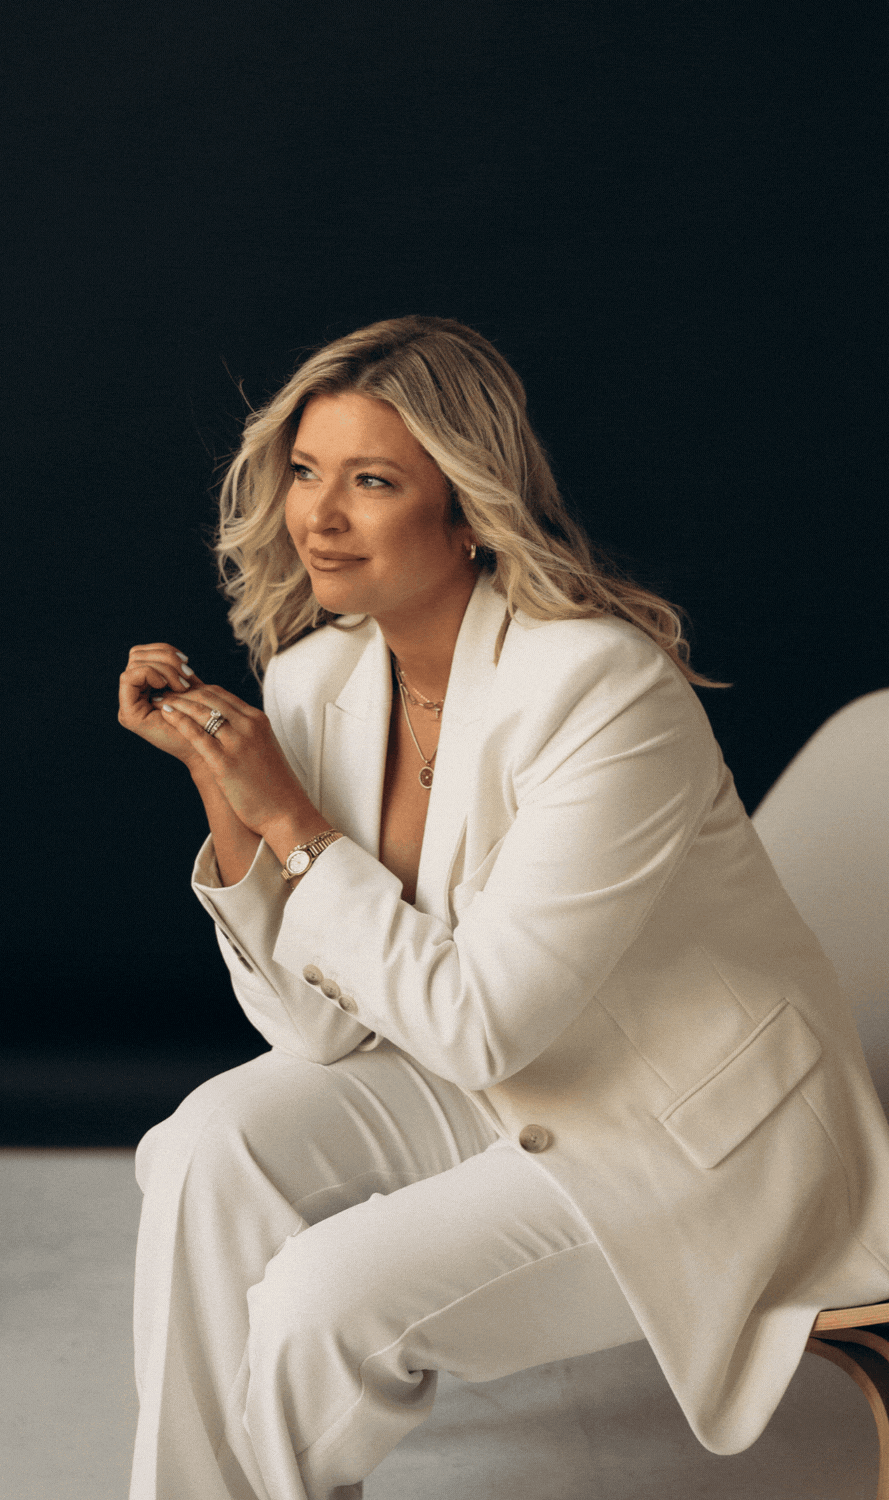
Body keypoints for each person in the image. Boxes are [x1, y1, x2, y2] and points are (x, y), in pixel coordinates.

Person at [119, 316, 889, 1500]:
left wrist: (297, 826)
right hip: (483, 1080)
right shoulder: (318, 679)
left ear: (469, 507)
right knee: (202, 1145)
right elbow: (318, 1034)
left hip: (682, 1131)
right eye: (305, 472)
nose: (316, 516)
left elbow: (487, 1024)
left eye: (370, 481)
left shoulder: (597, 689)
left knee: (330, 1296)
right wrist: (233, 800)